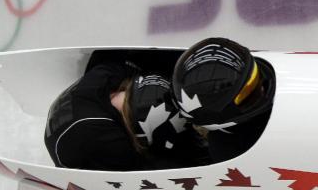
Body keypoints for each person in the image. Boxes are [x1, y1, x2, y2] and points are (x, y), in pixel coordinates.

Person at [44, 59, 208, 170]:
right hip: (76, 156)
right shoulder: (111, 143)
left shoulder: (107, 73)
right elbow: (150, 171)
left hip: (76, 120)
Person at [172, 37, 275, 163]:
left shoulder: (220, 142)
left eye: (254, 79)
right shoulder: (225, 149)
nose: (261, 89)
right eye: (248, 91)